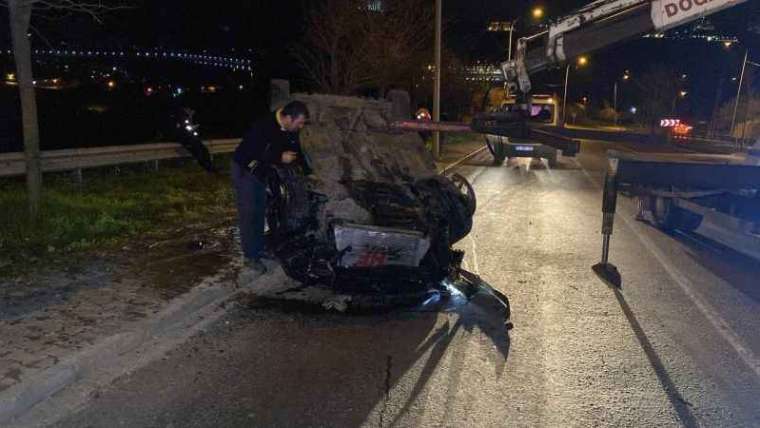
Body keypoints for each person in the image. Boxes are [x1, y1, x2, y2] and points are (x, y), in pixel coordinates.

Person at [232, 100, 310, 276]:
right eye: (300, 123)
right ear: (288, 118)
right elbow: (251, 153)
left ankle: (259, 249)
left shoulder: (290, 129)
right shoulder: (263, 126)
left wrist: (308, 172)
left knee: (261, 211)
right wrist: (279, 157)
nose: (301, 126)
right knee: (249, 213)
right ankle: (251, 257)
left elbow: (296, 149)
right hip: (245, 169)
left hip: (262, 171)